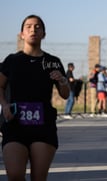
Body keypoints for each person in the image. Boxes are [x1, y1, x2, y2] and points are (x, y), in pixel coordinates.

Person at [0, 14, 69, 181]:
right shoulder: (12, 61)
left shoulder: (53, 62)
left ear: (44, 34)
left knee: (38, 177)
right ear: (21, 34)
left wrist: (62, 80)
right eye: (28, 26)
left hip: (43, 125)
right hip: (15, 124)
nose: (33, 29)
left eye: (38, 27)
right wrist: (5, 105)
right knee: (15, 175)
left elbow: (65, 94)